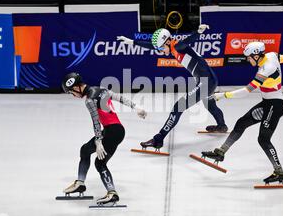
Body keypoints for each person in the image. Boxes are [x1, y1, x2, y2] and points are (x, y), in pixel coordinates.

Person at [202, 42, 283, 184]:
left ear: (257, 55)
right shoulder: (272, 56)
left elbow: (246, 91)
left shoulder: (265, 70)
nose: (247, 60)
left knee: (263, 139)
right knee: (241, 123)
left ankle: (279, 172)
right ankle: (220, 152)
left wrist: (223, 95)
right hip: (267, 104)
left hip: (275, 106)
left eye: (249, 57)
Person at [117, 25, 227, 150]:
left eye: (161, 48)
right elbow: (152, 46)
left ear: (168, 42)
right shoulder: (170, 46)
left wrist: (198, 32)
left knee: (178, 107)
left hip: (206, 82)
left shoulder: (177, 46)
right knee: (210, 105)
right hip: (209, 81)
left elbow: (187, 41)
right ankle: (222, 126)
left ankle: (158, 139)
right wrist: (132, 42)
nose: (161, 51)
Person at [61, 72, 147, 204]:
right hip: (116, 130)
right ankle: (80, 183)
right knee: (85, 150)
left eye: (71, 92)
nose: (72, 95)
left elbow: (95, 121)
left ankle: (112, 193)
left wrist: (98, 141)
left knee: (100, 163)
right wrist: (136, 107)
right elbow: (120, 98)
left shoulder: (89, 100)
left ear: (76, 88)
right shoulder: (100, 89)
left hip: (111, 132)